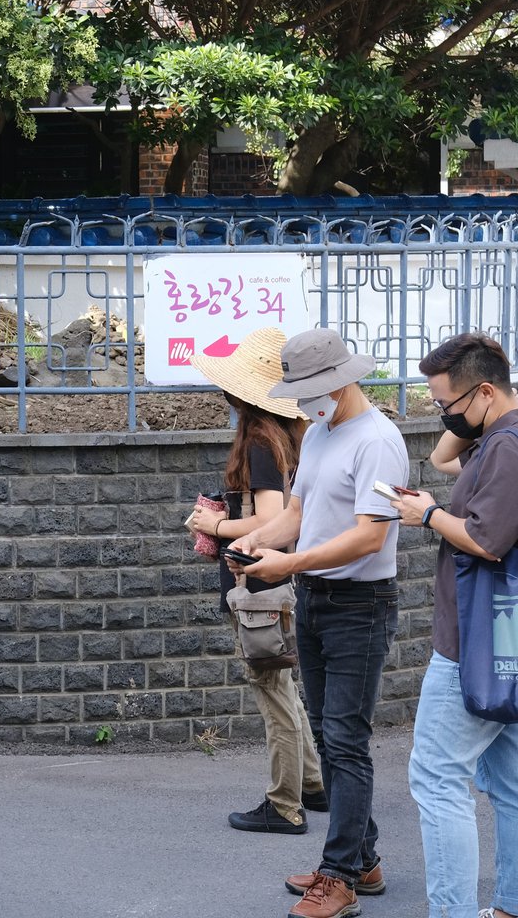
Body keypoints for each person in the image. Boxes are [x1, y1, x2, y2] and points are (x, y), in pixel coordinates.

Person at [231, 327, 410, 918]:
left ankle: (339, 878)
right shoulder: (321, 435)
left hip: (360, 605)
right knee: (328, 735)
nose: (305, 402)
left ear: (342, 380)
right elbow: (302, 513)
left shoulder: (378, 439)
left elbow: (369, 535)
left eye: (313, 389)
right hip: (315, 601)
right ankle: (360, 857)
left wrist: (292, 561)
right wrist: (258, 540)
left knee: (345, 741)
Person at [389, 333, 518, 918]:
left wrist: (430, 514)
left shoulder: (509, 449)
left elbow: (486, 541)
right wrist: (460, 417)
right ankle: (515, 907)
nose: (444, 415)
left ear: (487, 392)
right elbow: (443, 457)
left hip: (475, 643)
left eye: (447, 404)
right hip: (508, 637)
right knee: (512, 784)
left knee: (437, 781)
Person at [183, 328, 325, 835]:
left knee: (273, 691)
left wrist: (213, 526)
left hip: (257, 581)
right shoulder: (291, 431)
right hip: (272, 579)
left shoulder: (261, 439)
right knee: (283, 683)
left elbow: (271, 516)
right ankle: (313, 785)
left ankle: (285, 805)